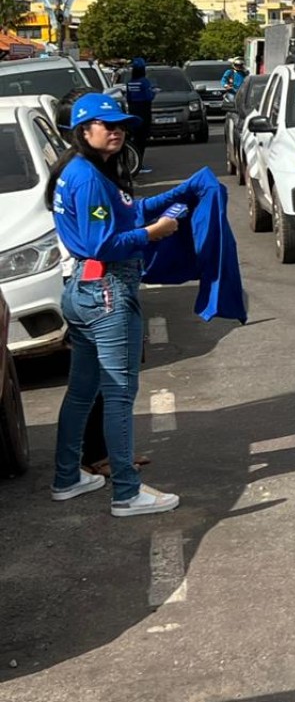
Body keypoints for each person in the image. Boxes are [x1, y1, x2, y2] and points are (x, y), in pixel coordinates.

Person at [46, 93, 186, 516]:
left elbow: (124, 211)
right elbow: (100, 243)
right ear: (82, 131)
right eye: (107, 125)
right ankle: (127, 491)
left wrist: (163, 204)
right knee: (120, 394)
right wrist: (155, 233)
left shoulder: (84, 171)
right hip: (106, 290)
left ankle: (68, 476)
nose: (117, 130)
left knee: (83, 392)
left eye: (120, 123)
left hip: (84, 293)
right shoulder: (87, 177)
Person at [124, 58, 156, 174]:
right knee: (141, 140)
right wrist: (154, 92)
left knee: (134, 139)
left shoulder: (130, 82)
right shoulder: (144, 82)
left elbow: (128, 98)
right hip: (144, 112)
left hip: (133, 112)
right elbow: (149, 97)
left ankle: (132, 162)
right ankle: (139, 164)